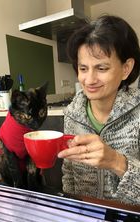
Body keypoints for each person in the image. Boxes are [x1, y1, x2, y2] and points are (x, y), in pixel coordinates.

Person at [58, 15, 140, 205]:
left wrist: (116, 162)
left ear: (126, 68)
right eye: (83, 68)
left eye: (101, 68)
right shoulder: (72, 114)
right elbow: (69, 175)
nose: (89, 80)